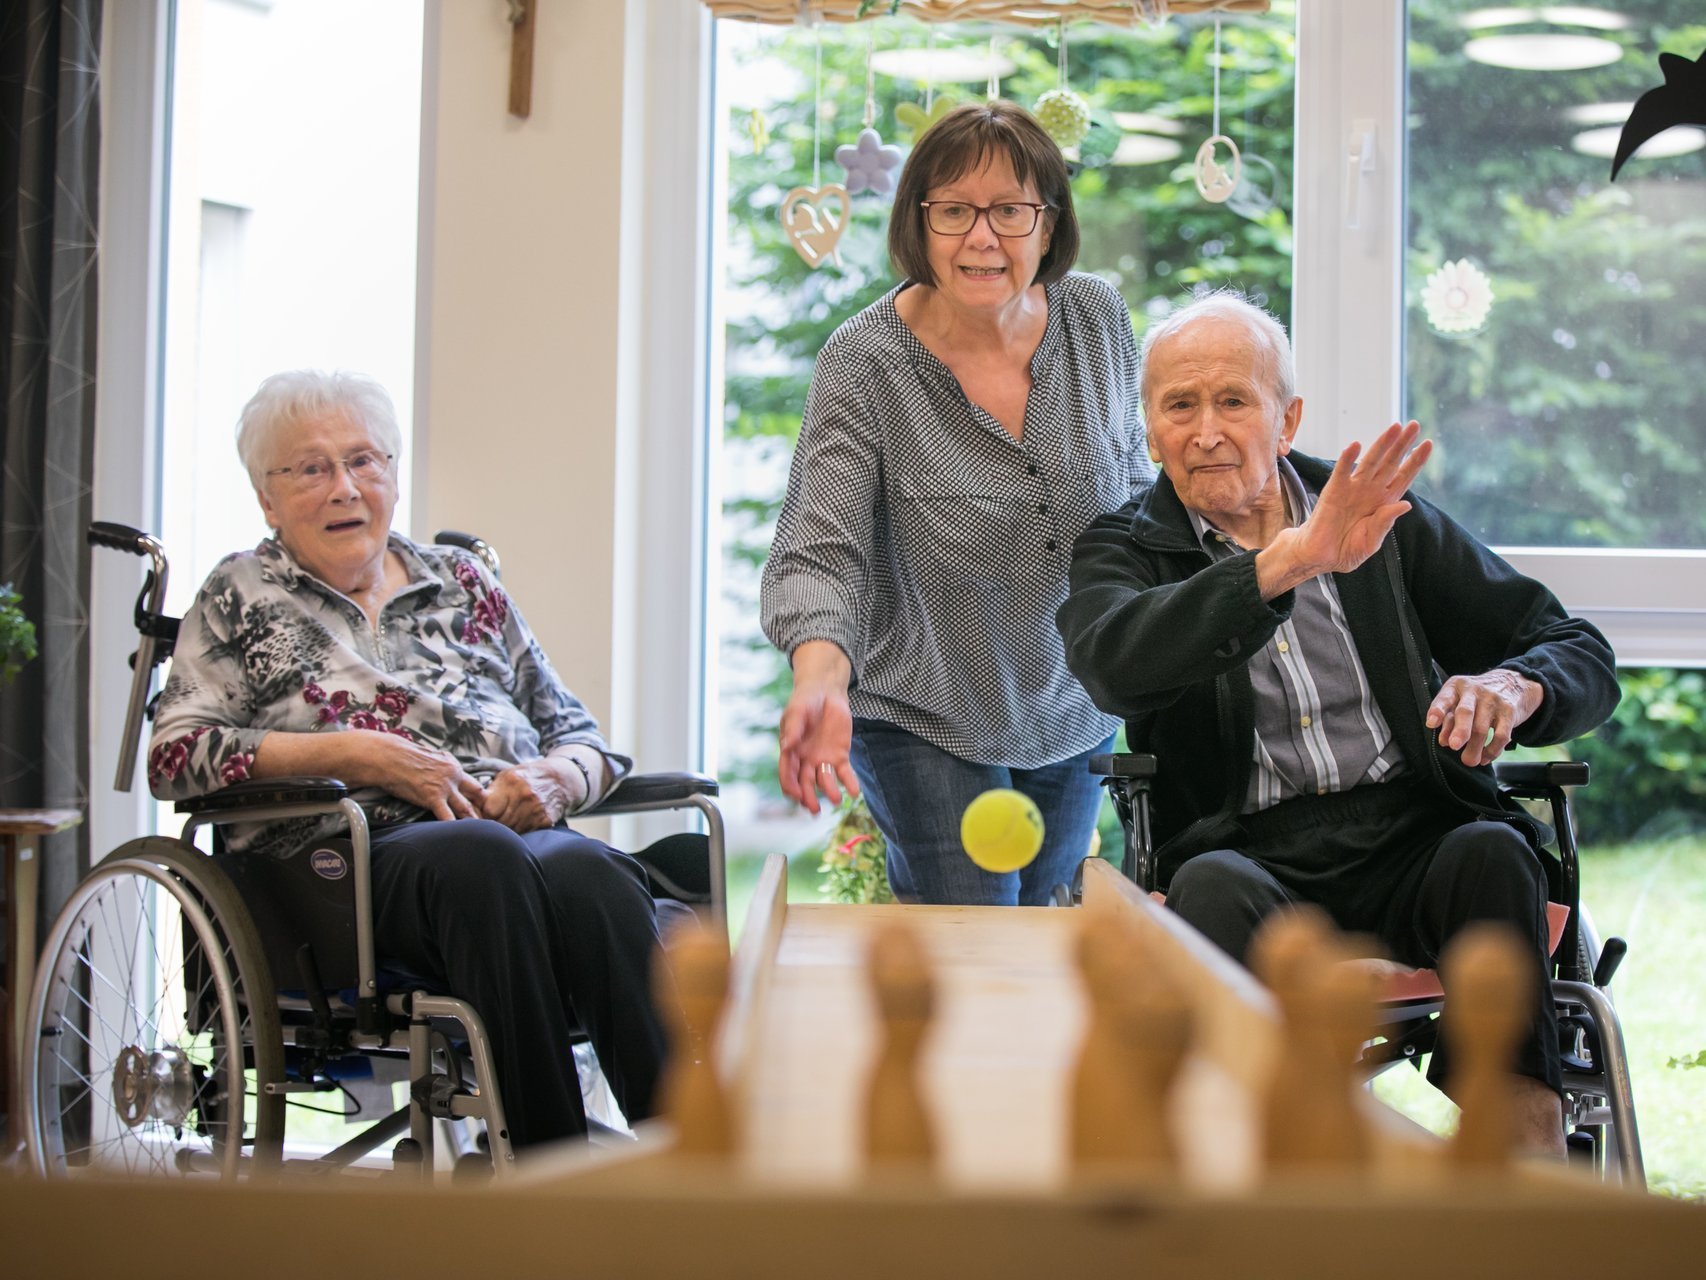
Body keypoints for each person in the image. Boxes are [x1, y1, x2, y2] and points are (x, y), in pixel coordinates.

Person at [1056, 292, 1619, 1156]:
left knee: (1494, 851)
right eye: (1180, 404)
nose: (1206, 430)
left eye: (1233, 401)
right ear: (1150, 429)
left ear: (1288, 420)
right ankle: (1281, 1170)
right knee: (1203, 886)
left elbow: (1573, 646)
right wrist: (1289, 563)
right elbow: (1113, 665)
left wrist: (1515, 687)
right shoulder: (1124, 548)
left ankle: (1523, 1169)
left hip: (1415, 837)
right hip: (1253, 854)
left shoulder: (1377, 519)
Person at [147, 369, 666, 1150]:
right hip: (340, 868)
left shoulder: (463, 581)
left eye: (364, 461)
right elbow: (175, 753)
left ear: (391, 472)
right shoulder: (240, 594)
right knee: (479, 859)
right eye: (312, 469)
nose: (345, 487)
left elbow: (581, 734)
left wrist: (559, 779)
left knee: (593, 876)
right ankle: (544, 1169)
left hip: (510, 833)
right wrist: (359, 755)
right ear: (267, 497)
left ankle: (695, 1169)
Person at [760, 101, 1152, 906]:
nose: (983, 238)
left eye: (1010, 210)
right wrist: (820, 681)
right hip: (923, 709)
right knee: (972, 936)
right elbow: (820, 548)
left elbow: (1136, 493)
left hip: (1068, 704)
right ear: (919, 223)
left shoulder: (1098, 319)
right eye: (954, 212)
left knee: (1042, 939)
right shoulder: (866, 359)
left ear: (1048, 223)